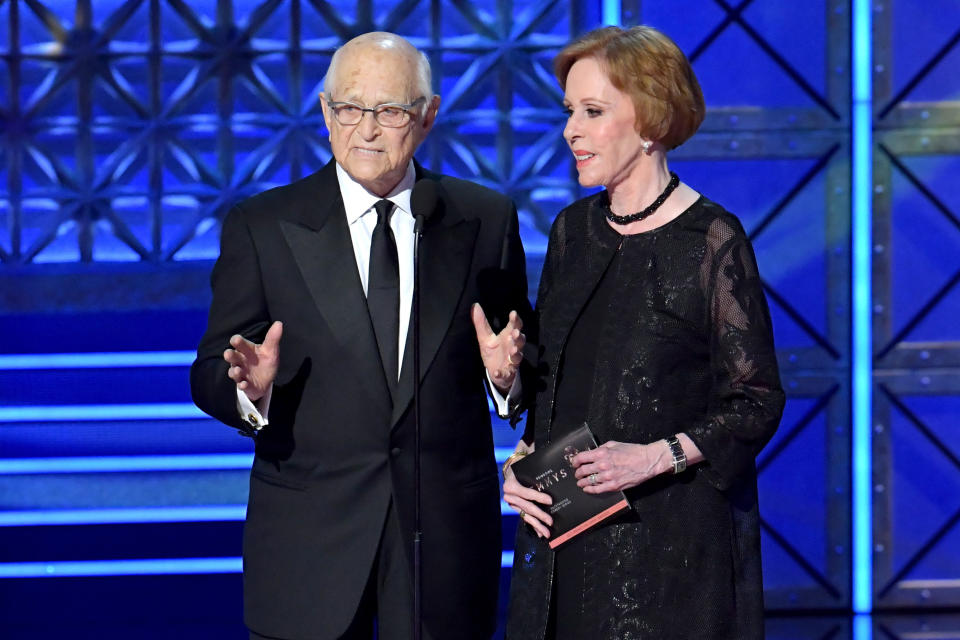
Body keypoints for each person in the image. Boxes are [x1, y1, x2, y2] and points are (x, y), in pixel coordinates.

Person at [190, 32, 530, 640]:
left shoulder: (483, 220)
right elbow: (211, 370)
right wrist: (248, 388)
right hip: (308, 542)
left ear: (426, 117)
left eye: (390, 111)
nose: (366, 129)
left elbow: (517, 356)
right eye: (349, 109)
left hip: (442, 542)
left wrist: (507, 379)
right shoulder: (264, 225)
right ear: (325, 113)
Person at [501, 25, 785, 639]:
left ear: (652, 120)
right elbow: (552, 392)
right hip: (560, 553)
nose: (571, 129)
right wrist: (516, 436)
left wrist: (655, 457)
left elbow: (756, 402)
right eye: (569, 111)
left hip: (666, 563)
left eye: (593, 111)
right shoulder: (571, 232)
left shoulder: (711, 240)